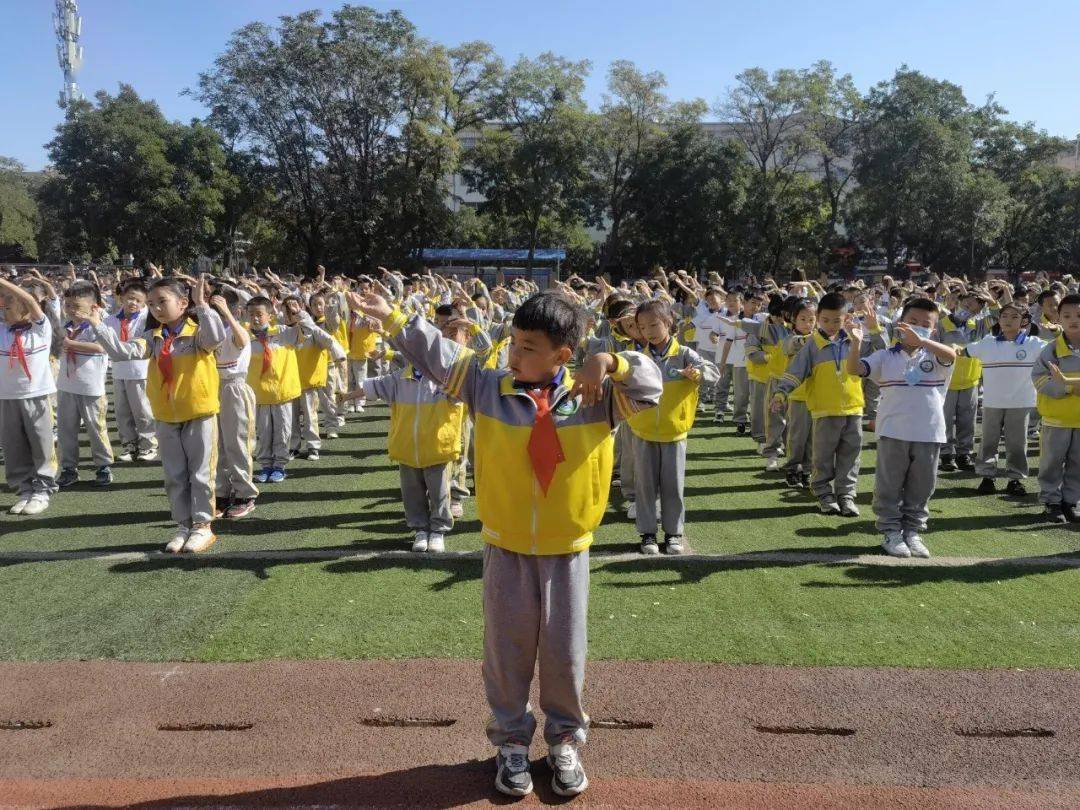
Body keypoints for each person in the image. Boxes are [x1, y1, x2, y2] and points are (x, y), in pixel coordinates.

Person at [348, 288, 662, 799]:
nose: (514, 355)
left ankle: (564, 740)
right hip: (506, 547)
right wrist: (397, 318)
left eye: (529, 347)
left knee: (564, 652)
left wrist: (611, 359)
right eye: (513, 343)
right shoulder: (487, 387)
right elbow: (437, 352)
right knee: (507, 650)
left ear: (564, 355)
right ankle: (511, 739)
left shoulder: (597, 395)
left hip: (567, 550)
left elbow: (653, 385)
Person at [86, 275, 225, 552]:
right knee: (174, 474)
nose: (156, 308)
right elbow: (121, 352)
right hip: (165, 415)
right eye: (152, 304)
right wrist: (98, 325)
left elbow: (216, 339)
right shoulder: (153, 337)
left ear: (183, 303)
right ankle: (183, 525)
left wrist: (204, 306)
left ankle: (202, 526)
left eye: (163, 301)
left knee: (200, 474)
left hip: (199, 413)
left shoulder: (197, 332)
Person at [346, 318, 469, 552]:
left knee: (440, 493)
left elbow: (473, 365)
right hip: (406, 448)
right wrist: (347, 395)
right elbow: (372, 386)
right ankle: (420, 529)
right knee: (412, 493)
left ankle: (438, 530)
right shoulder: (399, 378)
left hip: (438, 448)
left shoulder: (447, 381)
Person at [850, 298, 956, 557]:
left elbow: (952, 355)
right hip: (893, 431)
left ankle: (913, 531)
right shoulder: (885, 356)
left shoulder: (936, 354)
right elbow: (855, 368)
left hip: (929, 432)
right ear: (900, 325)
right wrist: (855, 344)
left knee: (922, 485)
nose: (917, 327)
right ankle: (890, 531)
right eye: (912, 322)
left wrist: (923, 342)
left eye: (924, 324)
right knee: (889, 484)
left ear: (933, 330)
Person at [627, 299, 717, 554]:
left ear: (668, 323)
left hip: (675, 433)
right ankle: (647, 534)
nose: (649, 331)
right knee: (644, 485)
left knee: (673, 486)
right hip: (642, 431)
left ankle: (674, 533)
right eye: (642, 327)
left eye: (654, 324)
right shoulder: (637, 358)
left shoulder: (685, 355)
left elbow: (713, 373)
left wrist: (696, 374)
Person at [770, 293, 869, 517]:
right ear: (818, 318)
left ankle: (846, 496)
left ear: (846, 318)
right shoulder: (811, 345)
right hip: (824, 411)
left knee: (851, 455)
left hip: (853, 409)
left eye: (837, 320)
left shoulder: (857, 339)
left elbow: (880, 354)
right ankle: (824, 494)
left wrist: (868, 333)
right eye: (825, 320)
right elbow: (795, 372)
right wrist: (781, 393)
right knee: (822, 456)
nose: (831, 325)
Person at [963, 303, 1047, 495]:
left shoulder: (1033, 343)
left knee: (1017, 443)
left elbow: (1056, 350)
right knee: (988, 442)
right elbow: (961, 351)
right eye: (1005, 316)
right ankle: (987, 477)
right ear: (999, 319)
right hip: (993, 402)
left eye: (1014, 317)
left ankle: (1015, 479)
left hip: (1021, 403)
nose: (1008, 320)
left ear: (1024, 321)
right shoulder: (987, 343)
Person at [0, 276, 56, 515]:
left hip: (36, 395)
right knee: (13, 446)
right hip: (6, 397)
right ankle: (23, 489)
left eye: (10, 301)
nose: (4, 304)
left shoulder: (41, 328)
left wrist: (3, 281)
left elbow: (32, 304)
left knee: (41, 444)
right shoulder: (2, 329)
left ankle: (42, 490)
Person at [55, 282, 114, 488]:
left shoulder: (99, 326)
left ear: (93, 307)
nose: (71, 310)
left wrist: (72, 344)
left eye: (76, 307)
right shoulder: (66, 325)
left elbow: (102, 348)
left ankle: (103, 466)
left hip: (91, 389)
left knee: (96, 428)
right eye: (68, 305)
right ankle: (69, 468)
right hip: (66, 387)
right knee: (65, 430)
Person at [1031, 293, 1080, 523]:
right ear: (1058, 318)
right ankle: (1051, 501)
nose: (1073, 320)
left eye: (1078, 315)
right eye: (1067, 315)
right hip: (1056, 419)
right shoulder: (1051, 350)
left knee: (1077, 463)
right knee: (1051, 462)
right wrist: (1069, 388)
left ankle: (1071, 502)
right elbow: (1040, 379)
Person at [211, 288, 259, 520]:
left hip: (235, 387)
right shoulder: (210, 330)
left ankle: (244, 495)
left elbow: (240, 340)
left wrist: (227, 314)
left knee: (237, 444)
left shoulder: (238, 328)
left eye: (221, 309)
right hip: (213, 388)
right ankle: (221, 493)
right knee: (215, 444)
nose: (217, 313)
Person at [105, 279, 157, 462]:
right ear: (121, 298)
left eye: (138, 301)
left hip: (140, 372)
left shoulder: (147, 318)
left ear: (144, 303)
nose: (133, 303)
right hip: (118, 371)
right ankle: (129, 445)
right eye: (130, 298)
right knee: (122, 412)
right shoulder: (110, 319)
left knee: (142, 410)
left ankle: (148, 445)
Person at [781, 299, 817, 489]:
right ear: (794, 320)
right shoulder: (791, 339)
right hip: (798, 395)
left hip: (816, 396)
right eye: (803, 319)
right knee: (797, 435)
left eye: (812, 319)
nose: (808, 323)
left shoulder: (819, 338)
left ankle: (808, 470)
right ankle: (792, 469)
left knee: (813, 436)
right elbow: (794, 345)